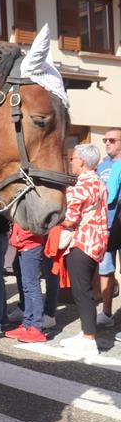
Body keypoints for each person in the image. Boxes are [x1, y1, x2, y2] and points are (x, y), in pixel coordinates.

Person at [60, 144, 108, 358]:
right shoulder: (99, 183)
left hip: (82, 241)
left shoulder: (78, 187)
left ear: (82, 162)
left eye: (73, 158)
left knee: (82, 292)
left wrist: (57, 221)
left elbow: (70, 219)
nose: (71, 161)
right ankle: (85, 333)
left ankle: (89, 339)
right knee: (85, 289)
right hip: (97, 241)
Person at [5, 223, 60, 343]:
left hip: (30, 245)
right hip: (23, 244)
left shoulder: (36, 204)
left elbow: (38, 223)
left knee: (32, 286)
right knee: (27, 286)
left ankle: (36, 327)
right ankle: (27, 324)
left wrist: (20, 237)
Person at [96, 127, 121, 326]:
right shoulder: (102, 165)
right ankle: (106, 313)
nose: (107, 143)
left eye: (112, 140)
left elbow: (110, 195)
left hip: (119, 223)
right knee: (105, 270)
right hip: (105, 226)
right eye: (105, 139)